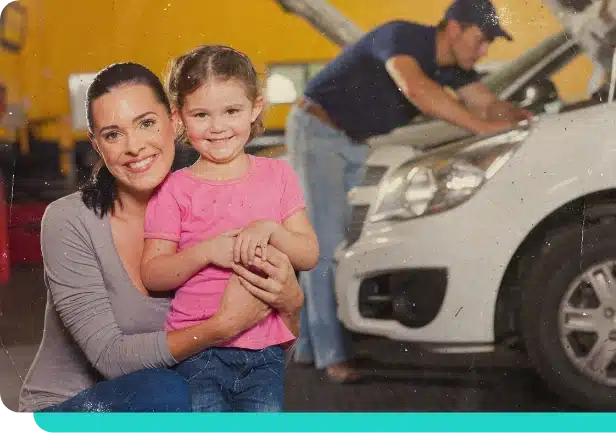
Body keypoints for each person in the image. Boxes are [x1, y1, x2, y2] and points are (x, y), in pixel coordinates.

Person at [17, 62, 304, 413]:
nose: (134, 146)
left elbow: (260, 363)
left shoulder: (214, 208)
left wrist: (291, 306)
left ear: (174, 120)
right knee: (170, 389)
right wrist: (220, 326)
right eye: (113, 134)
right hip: (73, 410)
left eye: (146, 123)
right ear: (96, 145)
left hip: (177, 404)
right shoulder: (70, 219)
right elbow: (110, 359)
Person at [285, 0, 533, 383]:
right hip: (318, 129)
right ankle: (334, 357)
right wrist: (481, 130)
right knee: (326, 244)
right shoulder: (401, 36)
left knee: (339, 240)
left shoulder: (452, 69)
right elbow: (416, 89)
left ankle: (309, 349)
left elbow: (487, 103)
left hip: (353, 141)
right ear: (454, 28)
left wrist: (524, 120)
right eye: (481, 40)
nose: (485, 51)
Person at [139, 45, 319, 412]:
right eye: (202, 114)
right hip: (198, 352)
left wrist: (271, 228)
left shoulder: (278, 175)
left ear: (255, 108)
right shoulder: (174, 188)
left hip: (265, 350)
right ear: (178, 117)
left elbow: (309, 254)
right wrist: (206, 251)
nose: (218, 127)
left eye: (232, 111)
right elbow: (154, 274)